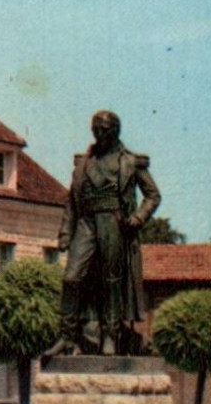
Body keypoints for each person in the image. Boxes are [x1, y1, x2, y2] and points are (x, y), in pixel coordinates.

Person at [47, 110, 161, 356]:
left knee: (112, 282)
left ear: (114, 131)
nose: (99, 134)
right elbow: (71, 201)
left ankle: (110, 335)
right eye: (96, 129)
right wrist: (65, 232)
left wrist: (139, 217)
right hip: (86, 222)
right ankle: (67, 336)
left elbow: (153, 195)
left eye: (104, 129)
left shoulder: (130, 161)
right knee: (71, 277)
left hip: (114, 221)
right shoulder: (84, 163)